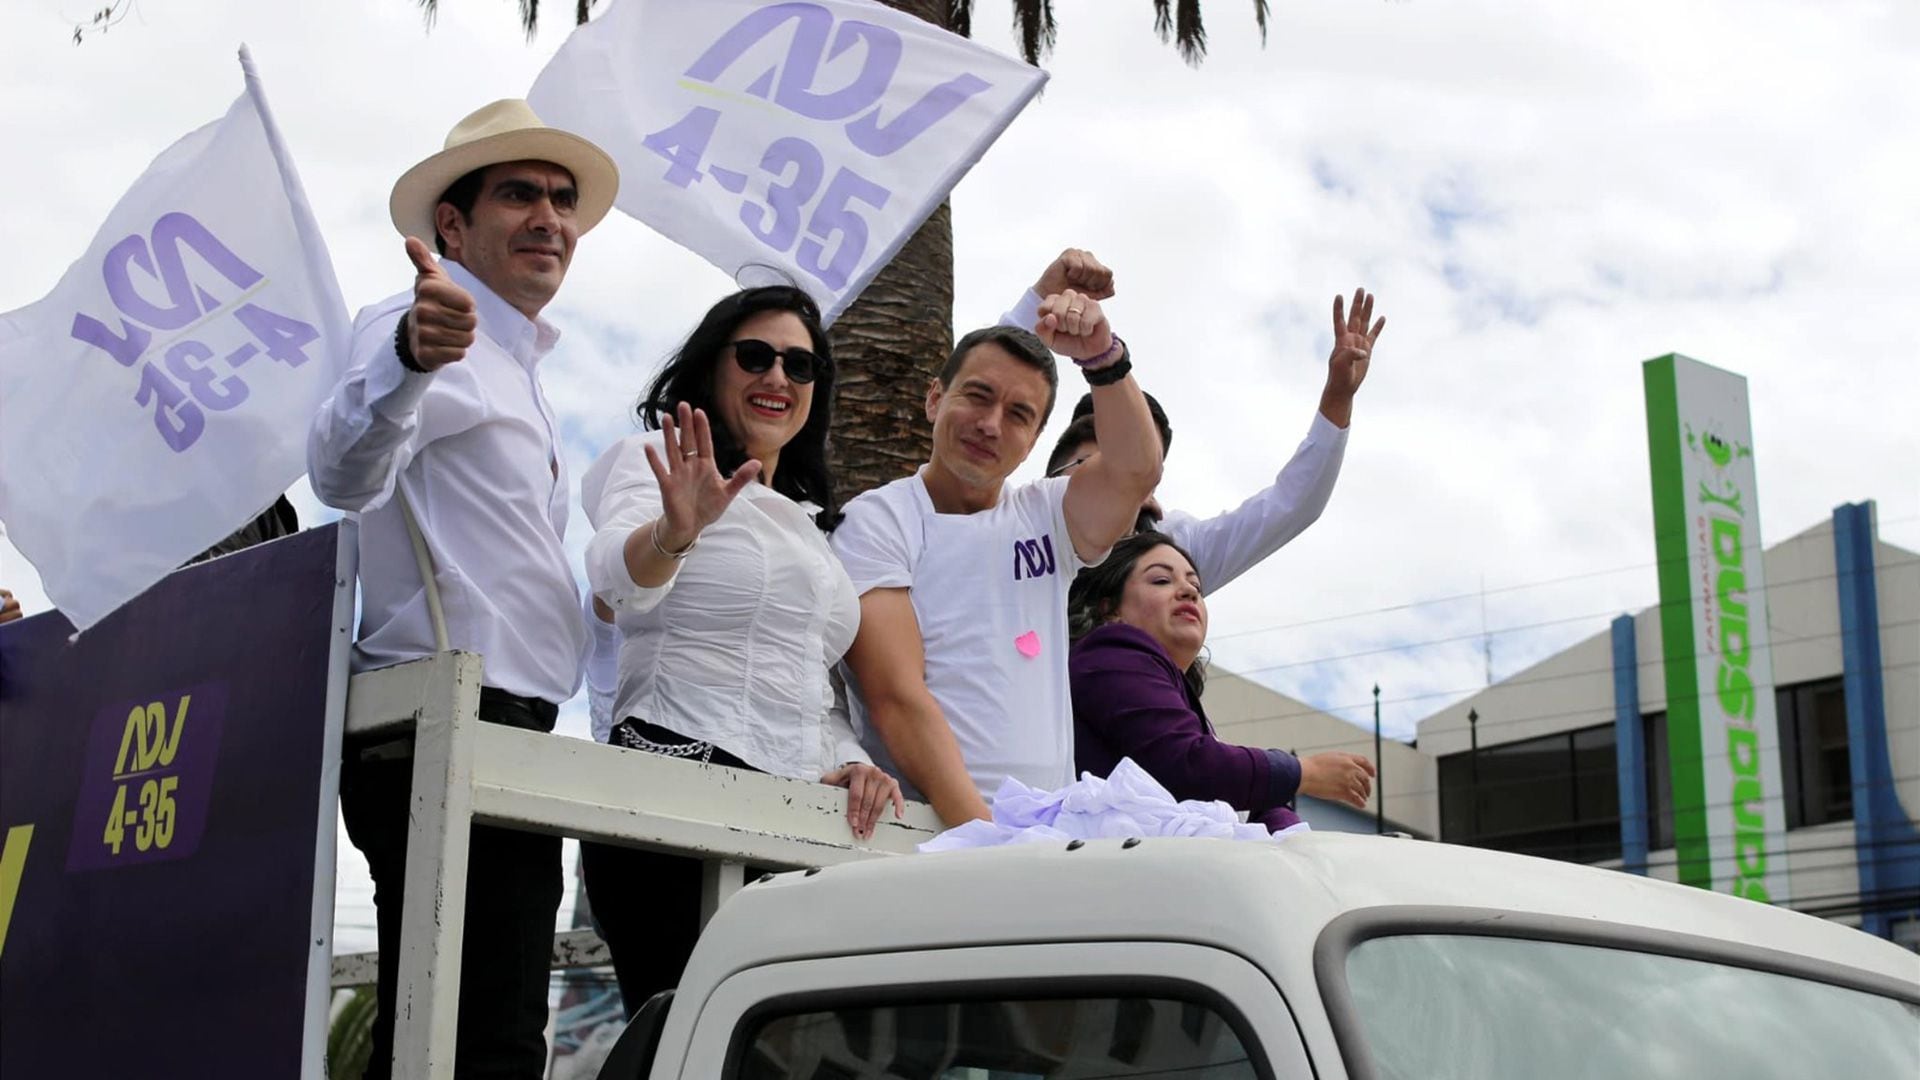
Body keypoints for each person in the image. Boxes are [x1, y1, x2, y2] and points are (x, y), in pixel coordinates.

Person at [306, 99, 618, 1080]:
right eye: (518, 193)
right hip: (439, 718)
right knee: (469, 1039)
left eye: (562, 199)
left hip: (501, 726)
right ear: (451, 226)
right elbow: (341, 475)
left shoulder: (517, 362)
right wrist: (407, 360)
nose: (550, 217)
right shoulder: (416, 324)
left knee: (475, 1035)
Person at [576, 284, 903, 1015]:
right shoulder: (657, 460)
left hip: (790, 819)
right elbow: (613, 583)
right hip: (670, 793)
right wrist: (673, 532)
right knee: (684, 1045)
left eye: (800, 365)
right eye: (755, 355)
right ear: (710, 366)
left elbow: (807, 678)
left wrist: (850, 760)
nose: (778, 378)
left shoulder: (815, 524)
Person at [833, 250, 1163, 826]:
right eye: (977, 397)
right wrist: (982, 841)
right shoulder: (877, 520)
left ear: (1035, 439)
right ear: (935, 399)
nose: (991, 425)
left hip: (1049, 836)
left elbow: (1137, 472)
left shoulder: (1046, 514)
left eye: (1018, 414)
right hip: (930, 834)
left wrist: (1103, 358)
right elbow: (895, 696)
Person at [1042, 287, 1388, 595]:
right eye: (1091, 463)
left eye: (1140, 468)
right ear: (1052, 476)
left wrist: (1338, 397)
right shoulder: (1021, 526)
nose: (1116, 477)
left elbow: (1291, 505)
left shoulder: (1174, 545)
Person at [1067, 531, 1375, 830]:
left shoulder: (1173, 697)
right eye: (1161, 580)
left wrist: (1287, 830)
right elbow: (1188, 765)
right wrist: (1304, 773)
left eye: (1196, 587)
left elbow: (1221, 795)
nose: (1188, 591)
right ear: (1110, 610)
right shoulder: (1110, 649)